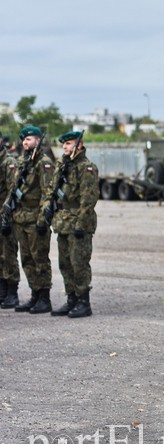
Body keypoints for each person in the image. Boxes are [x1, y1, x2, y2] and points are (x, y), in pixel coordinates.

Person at [2, 126, 54, 314]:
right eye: (23, 140)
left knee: (39, 258)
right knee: (27, 259)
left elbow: (48, 192)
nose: (25, 143)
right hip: (21, 218)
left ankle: (44, 297)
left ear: (38, 141)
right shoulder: (24, 161)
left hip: (35, 218)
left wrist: (43, 219)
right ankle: (34, 294)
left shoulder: (44, 162)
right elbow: (14, 189)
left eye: (29, 139)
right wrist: (7, 210)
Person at [47, 131, 98, 318]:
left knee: (79, 263)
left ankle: (84, 301)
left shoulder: (87, 167)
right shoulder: (62, 165)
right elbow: (52, 190)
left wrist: (81, 224)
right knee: (65, 263)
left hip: (79, 222)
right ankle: (72, 299)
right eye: (64, 144)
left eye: (68, 143)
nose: (65, 147)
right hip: (62, 222)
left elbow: (89, 199)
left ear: (79, 144)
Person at [0, 132, 21, 309]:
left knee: (8, 254)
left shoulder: (9, 163)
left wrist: (5, 215)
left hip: (6, 215)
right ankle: (2, 290)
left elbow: (12, 191)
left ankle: (12, 292)